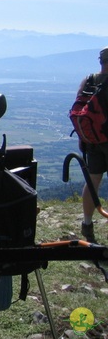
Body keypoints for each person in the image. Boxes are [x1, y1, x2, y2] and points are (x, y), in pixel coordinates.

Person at [78, 46, 108, 243]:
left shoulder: (89, 80)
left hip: (92, 141)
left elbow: (78, 110)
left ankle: (87, 224)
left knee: (92, 182)